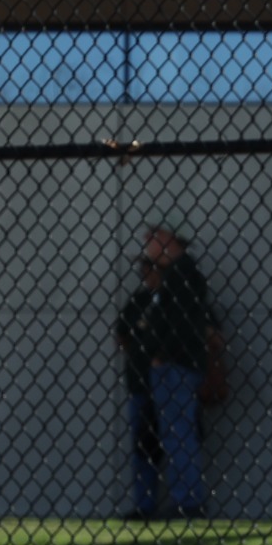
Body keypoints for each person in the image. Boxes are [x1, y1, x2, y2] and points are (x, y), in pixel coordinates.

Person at [112, 223, 217, 520]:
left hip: (173, 369)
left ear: (168, 243)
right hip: (145, 380)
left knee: (177, 435)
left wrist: (161, 354)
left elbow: (191, 327)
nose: (146, 268)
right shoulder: (146, 297)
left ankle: (188, 502)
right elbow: (123, 333)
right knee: (147, 444)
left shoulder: (184, 279)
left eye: (151, 250)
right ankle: (149, 505)